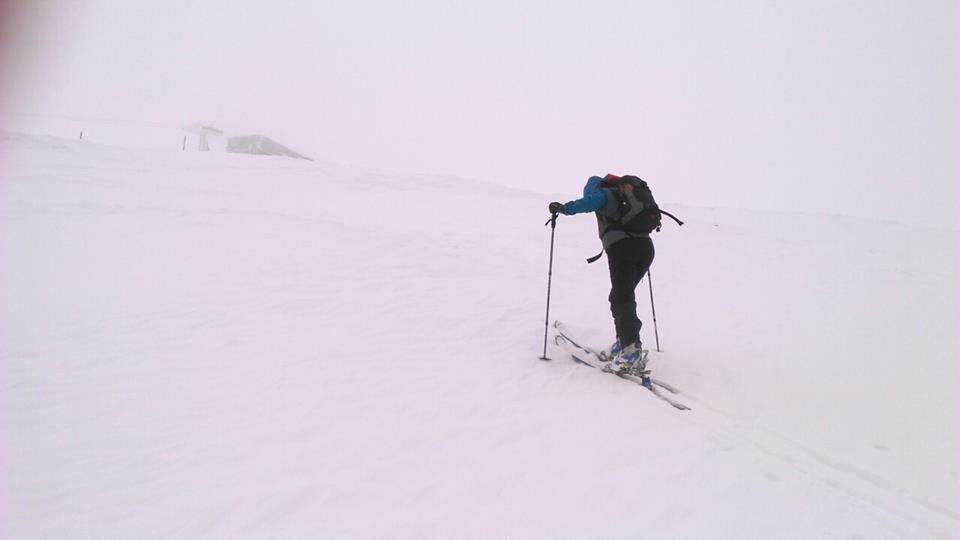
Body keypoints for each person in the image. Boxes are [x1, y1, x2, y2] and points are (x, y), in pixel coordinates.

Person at [548, 174, 654, 374]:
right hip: (645, 249)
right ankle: (625, 342)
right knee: (620, 296)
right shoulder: (629, 195)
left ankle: (631, 352)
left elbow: (586, 203)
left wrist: (562, 208)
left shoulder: (603, 194)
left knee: (623, 298)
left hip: (623, 248)